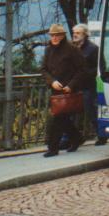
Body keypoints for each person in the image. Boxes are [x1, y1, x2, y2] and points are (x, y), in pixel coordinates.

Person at [41, 23, 86, 157]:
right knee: (63, 118)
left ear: (62, 36)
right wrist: (52, 81)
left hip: (68, 90)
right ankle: (77, 137)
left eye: (57, 35)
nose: (54, 38)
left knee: (58, 118)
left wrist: (71, 85)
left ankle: (53, 148)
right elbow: (43, 69)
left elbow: (82, 70)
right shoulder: (48, 50)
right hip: (56, 90)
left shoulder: (72, 49)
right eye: (52, 35)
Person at [73, 23, 106, 146]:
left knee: (91, 111)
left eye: (78, 33)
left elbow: (100, 67)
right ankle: (72, 138)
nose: (75, 35)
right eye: (74, 33)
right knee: (72, 113)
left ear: (85, 34)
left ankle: (101, 135)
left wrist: (86, 74)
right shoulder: (73, 48)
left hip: (89, 85)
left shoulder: (93, 49)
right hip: (75, 85)